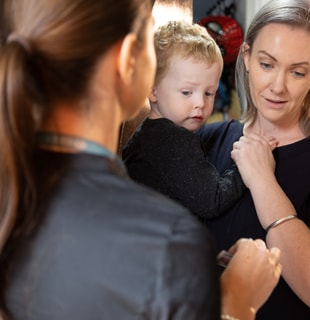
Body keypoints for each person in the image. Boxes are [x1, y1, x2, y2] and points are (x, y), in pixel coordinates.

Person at [0, 1, 281, 320]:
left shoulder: (15, 198)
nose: (200, 103)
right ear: (128, 61)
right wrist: (236, 301)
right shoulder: (168, 241)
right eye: (150, 38)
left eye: (208, 92)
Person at [197, 0, 310, 319]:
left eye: (297, 71)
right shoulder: (207, 141)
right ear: (247, 57)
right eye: (267, 64)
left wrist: (264, 182)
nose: (278, 86)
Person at [123, 21, 275, 218]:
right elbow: (212, 201)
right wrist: (247, 167)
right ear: (152, 90)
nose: (200, 103)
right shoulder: (174, 141)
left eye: (209, 93)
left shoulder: (145, 135)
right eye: (186, 92)